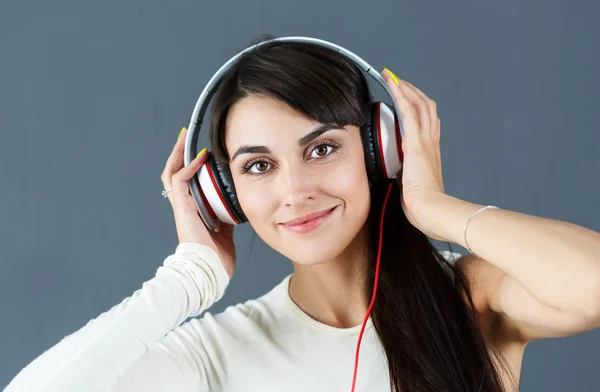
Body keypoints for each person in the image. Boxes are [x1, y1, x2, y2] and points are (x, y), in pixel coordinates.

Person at [5, 36, 600, 392]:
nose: (295, 191)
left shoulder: (472, 297)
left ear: (381, 149)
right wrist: (187, 279)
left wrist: (433, 208)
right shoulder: (217, 353)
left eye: (321, 149)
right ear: (225, 195)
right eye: (259, 166)